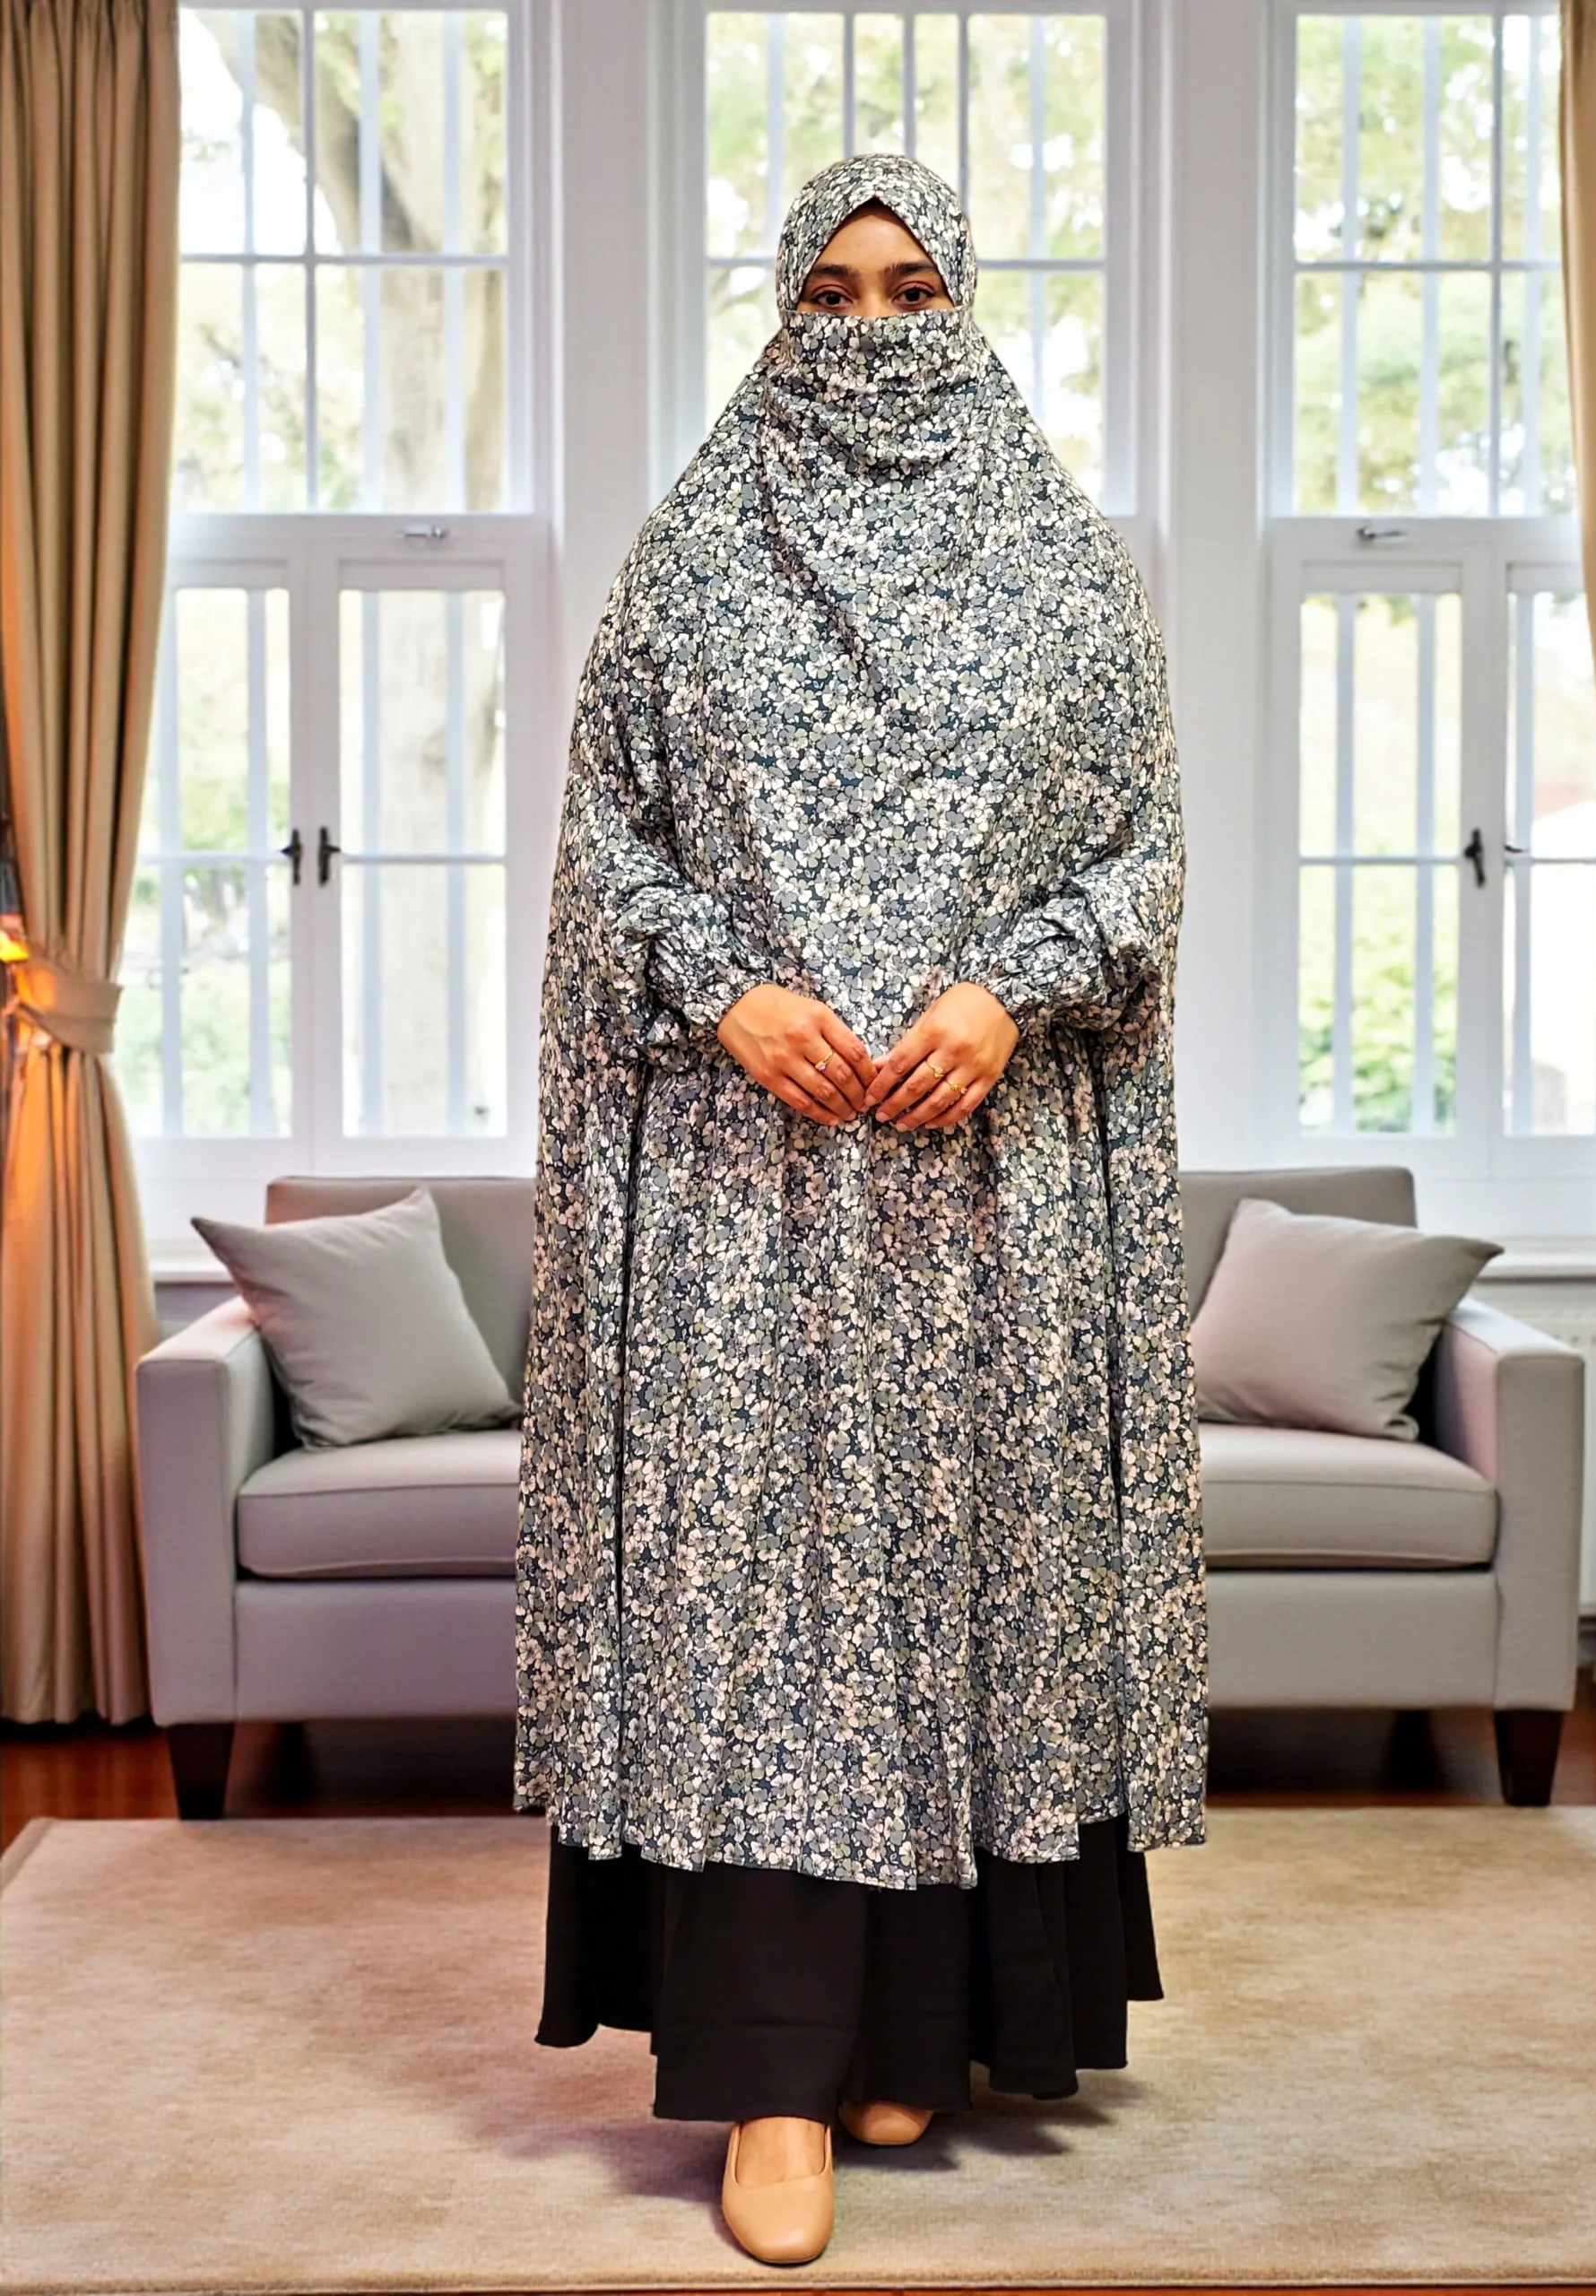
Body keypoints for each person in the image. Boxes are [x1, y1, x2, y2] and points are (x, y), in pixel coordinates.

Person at [514, 152, 1207, 2266]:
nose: (875, 330)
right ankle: (771, 2075)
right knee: (767, 1619)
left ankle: (922, 2025)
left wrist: (1014, 989)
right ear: (780, 312)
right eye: (831, 294)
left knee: (965, 1591)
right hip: (746, 1209)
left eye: (913, 291)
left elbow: (1143, 852)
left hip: (991, 1204)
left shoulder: (1070, 573)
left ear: (967, 307)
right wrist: (727, 989)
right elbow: (605, 849)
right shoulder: (689, 559)